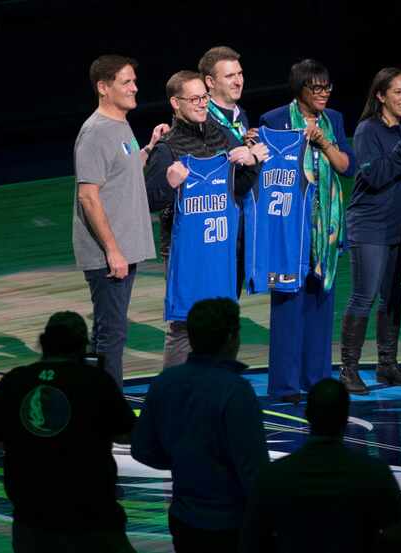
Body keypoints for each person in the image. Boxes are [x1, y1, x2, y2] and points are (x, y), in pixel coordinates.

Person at [144, 70, 267, 369]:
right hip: (184, 251)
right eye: (195, 98)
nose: (202, 104)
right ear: (176, 103)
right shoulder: (167, 147)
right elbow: (149, 200)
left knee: (225, 320)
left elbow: (236, 189)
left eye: (204, 97)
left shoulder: (220, 135)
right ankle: (175, 391)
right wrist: (169, 185)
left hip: (223, 247)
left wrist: (253, 163)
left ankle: (219, 385)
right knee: (185, 326)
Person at [0, 311, 137, 553]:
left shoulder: (13, 382)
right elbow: (126, 435)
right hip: (92, 517)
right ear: (82, 346)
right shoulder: (96, 381)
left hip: (32, 519)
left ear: (43, 342)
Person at [131, 298, 269, 553]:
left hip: (184, 518)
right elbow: (255, 472)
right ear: (231, 338)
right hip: (230, 524)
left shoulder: (165, 382)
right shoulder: (236, 391)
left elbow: (142, 449)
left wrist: (183, 460)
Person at [259, 59, 356, 404]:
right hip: (290, 227)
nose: (323, 94)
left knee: (320, 301)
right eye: (316, 88)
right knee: (288, 303)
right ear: (300, 90)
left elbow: (347, 167)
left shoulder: (336, 121)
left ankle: (316, 380)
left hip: (326, 229)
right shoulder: (275, 120)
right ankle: (284, 386)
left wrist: (326, 143)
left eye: (327, 87)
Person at [73, 54, 165, 388]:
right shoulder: (95, 132)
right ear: (103, 87)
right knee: (111, 335)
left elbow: (122, 172)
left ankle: (91, 398)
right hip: (110, 255)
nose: (134, 87)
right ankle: (108, 409)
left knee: (107, 332)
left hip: (124, 250)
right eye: (126, 82)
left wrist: (150, 149)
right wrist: (112, 250)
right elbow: (88, 195)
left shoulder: (119, 125)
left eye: (134, 81)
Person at [240, 378, 401, 552]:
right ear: (347, 417)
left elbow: (252, 542)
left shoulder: (273, 475)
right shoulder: (375, 473)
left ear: (307, 415)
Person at [339, 67, 401, 395]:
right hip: (368, 224)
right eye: (398, 92)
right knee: (364, 295)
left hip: (398, 225)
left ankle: (387, 365)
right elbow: (374, 176)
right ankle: (348, 369)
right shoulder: (366, 130)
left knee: (393, 296)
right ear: (381, 95)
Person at [199, 46, 260, 295]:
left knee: (231, 299)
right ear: (210, 82)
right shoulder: (204, 121)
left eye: (240, 73)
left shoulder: (239, 115)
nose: (238, 81)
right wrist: (254, 159)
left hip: (239, 226)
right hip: (217, 230)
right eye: (230, 76)